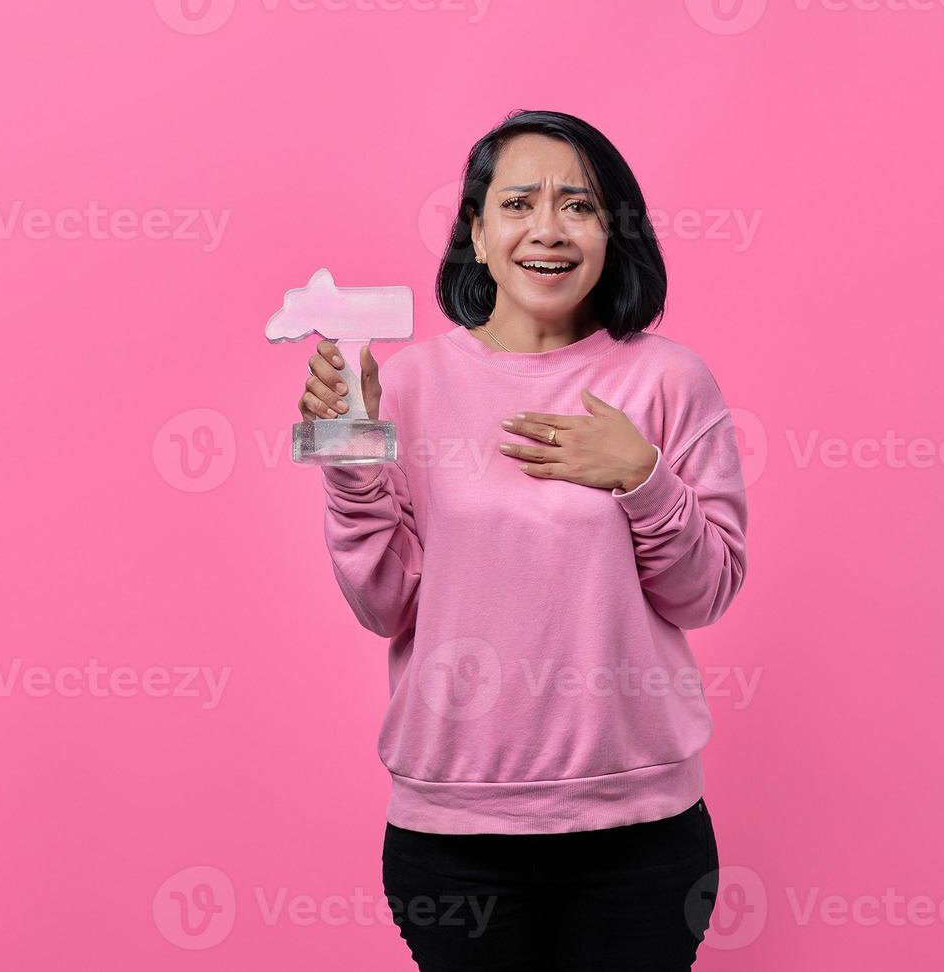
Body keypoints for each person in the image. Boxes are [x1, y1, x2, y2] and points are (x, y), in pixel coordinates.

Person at [297, 109, 749, 971]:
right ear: (476, 228)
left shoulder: (669, 381)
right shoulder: (412, 384)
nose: (548, 229)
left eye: (578, 205)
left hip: (641, 832)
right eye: (518, 203)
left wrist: (641, 477)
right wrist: (350, 463)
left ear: (614, 230)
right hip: (456, 831)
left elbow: (706, 592)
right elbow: (384, 604)